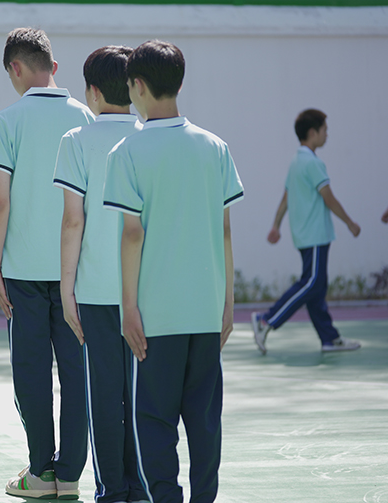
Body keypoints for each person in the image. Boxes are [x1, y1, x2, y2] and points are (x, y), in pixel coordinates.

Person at [103, 40, 243, 503]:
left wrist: (128, 307)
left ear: (137, 86)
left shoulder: (126, 151)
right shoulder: (215, 147)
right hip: (205, 309)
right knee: (204, 420)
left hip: (155, 316)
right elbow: (225, 229)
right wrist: (227, 302)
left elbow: (132, 235)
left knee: (154, 420)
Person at [0, 27, 94, 500]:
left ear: (14, 67)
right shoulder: (87, 116)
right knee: (77, 375)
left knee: (30, 375)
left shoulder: (5, 121)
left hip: (23, 273)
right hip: (78, 274)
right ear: (54, 67)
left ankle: (40, 472)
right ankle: (70, 475)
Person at [53, 45, 147, 503]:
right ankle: (143, 488)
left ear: (91, 92)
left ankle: (111, 490)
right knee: (145, 397)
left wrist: (66, 289)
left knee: (105, 396)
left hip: (95, 291)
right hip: (147, 292)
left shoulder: (76, 140)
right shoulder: (150, 137)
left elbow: (74, 221)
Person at [251, 109, 362, 354]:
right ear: (313, 133)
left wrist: (276, 225)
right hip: (315, 236)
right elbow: (328, 198)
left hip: (305, 237)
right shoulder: (313, 163)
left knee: (317, 290)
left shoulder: (296, 162)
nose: (327, 135)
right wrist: (350, 222)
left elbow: (286, 198)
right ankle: (265, 320)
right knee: (311, 284)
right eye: (325, 130)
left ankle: (329, 339)